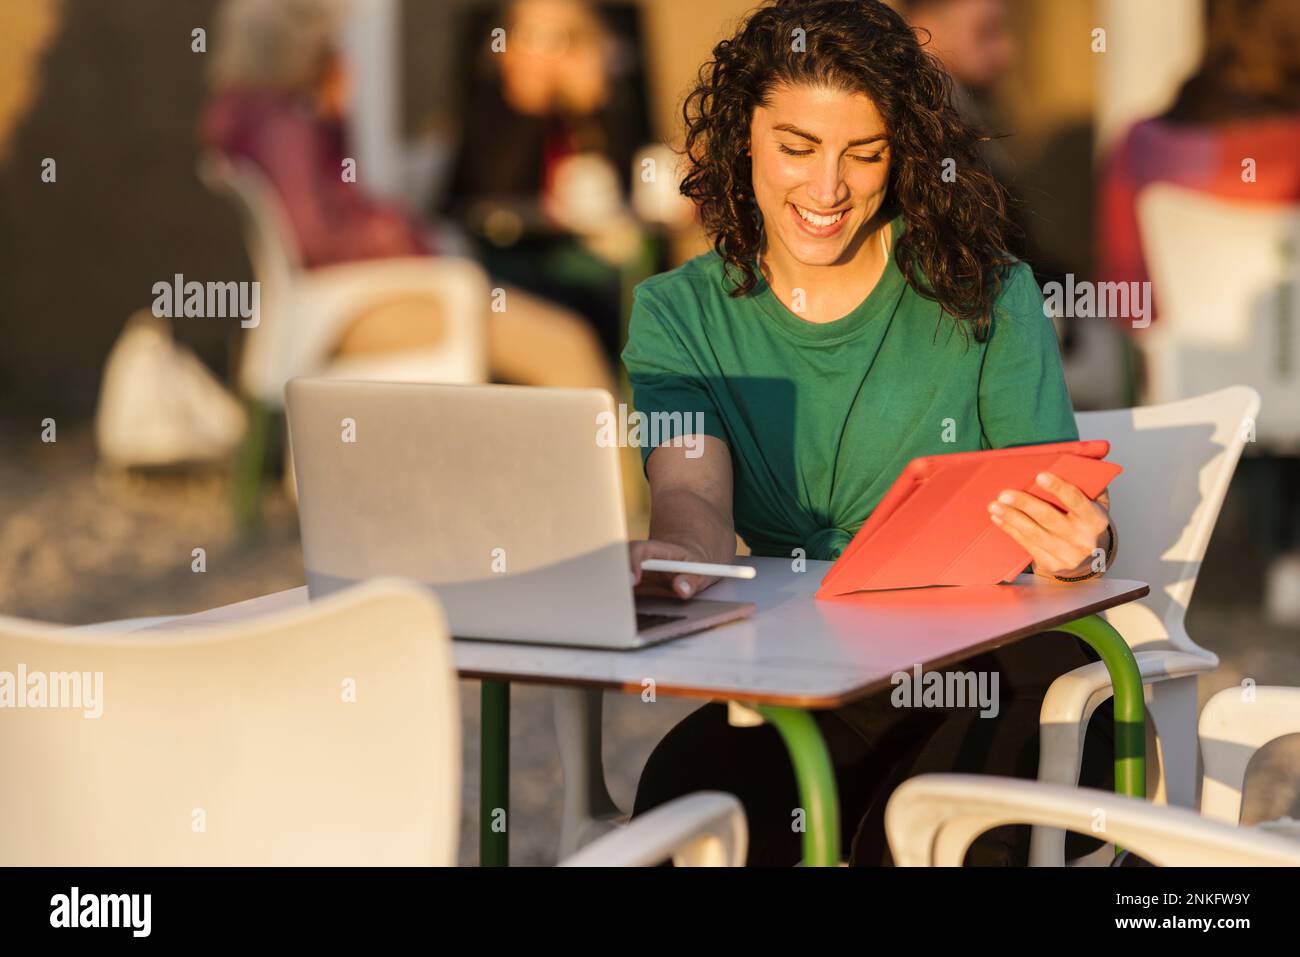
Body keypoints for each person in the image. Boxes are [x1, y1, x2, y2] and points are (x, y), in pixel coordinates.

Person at [623, 0, 1118, 866]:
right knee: (684, 794)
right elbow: (693, 496)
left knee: (922, 830)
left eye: (865, 153)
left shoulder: (988, 293)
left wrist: (1075, 550)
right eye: (797, 147)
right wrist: (673, 562)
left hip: (995, 670)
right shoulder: (677, 314)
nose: (827, 191)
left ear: (905, 155)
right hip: (813, 685)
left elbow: (1051, 529)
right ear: (744, 137)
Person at [200, 0, 614, 392]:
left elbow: (331, 214)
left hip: (335, 305)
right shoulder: (285, 127)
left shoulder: (260, 118)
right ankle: (615, 465)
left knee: (558, 330)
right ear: (300, 47)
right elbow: (318, 234)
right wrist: (406, 235)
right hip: (344, 311)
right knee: (568, 345)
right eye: (327, 44)